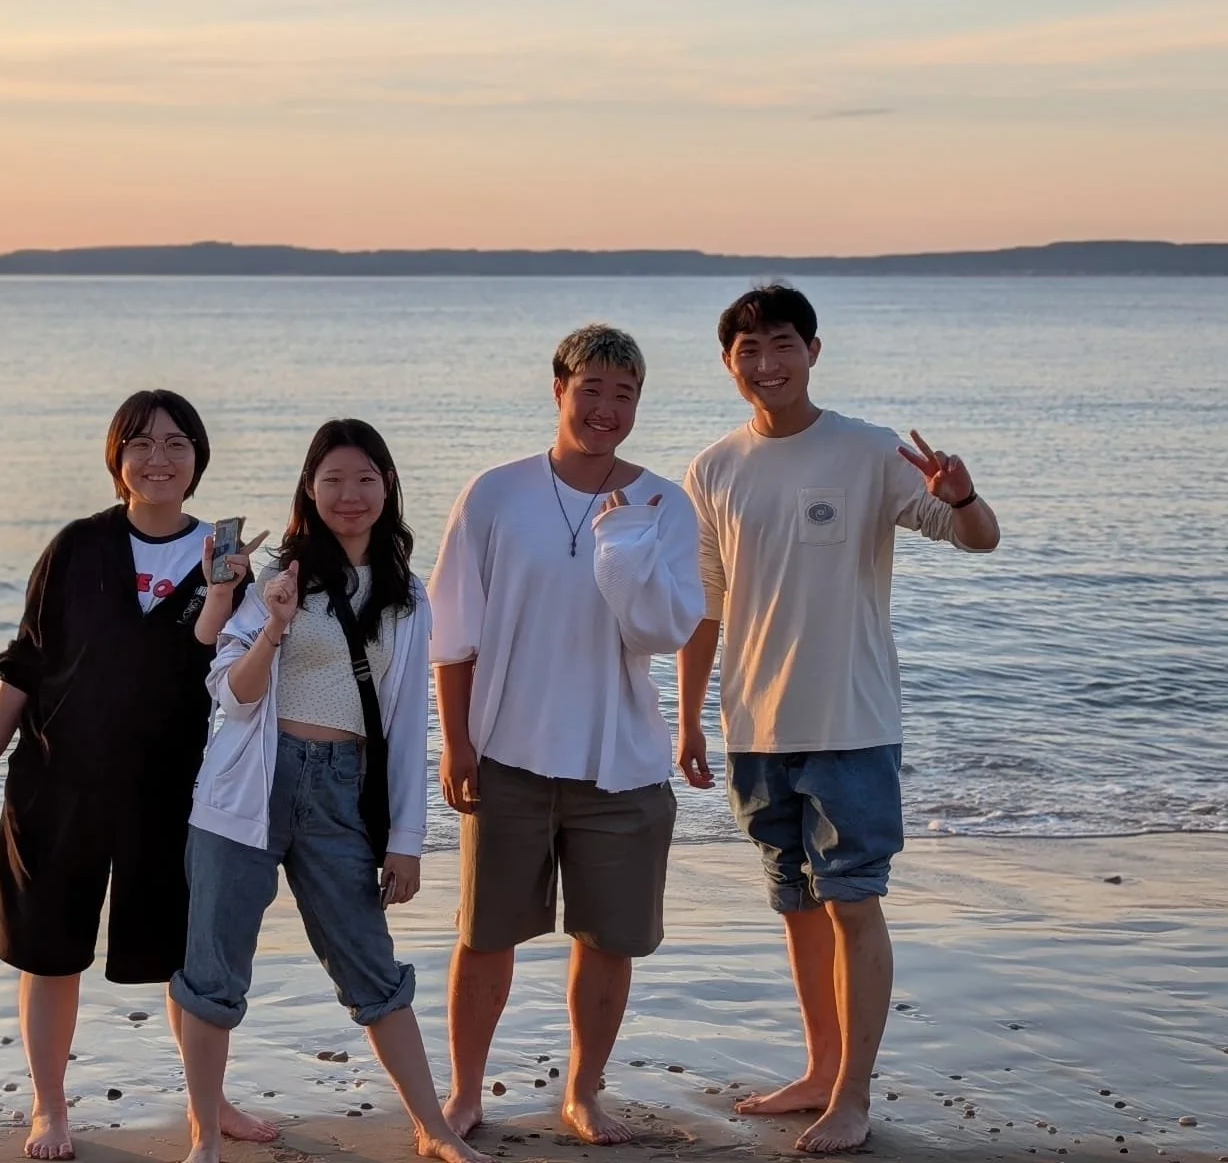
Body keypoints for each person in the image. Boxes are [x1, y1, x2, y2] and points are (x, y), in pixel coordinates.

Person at [661, 284, 1001, 1156]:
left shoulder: (868, 451)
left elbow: (977, 540)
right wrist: (691, 719)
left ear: (814, 350)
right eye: (749, 350)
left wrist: (962, 498)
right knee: (797, 909)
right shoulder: (712, 467)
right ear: (728, 362)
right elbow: (707, 606)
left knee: (852, 902)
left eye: (783, 345)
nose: (767, 364)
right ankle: (817, 1070)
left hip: (852, 721)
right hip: (755, 728)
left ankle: (852, 1095)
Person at [0, 390, 278, 1161]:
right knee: (49, 949)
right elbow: (25, 661)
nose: (157, 458)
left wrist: (226, 592)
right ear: (116, 458)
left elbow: (216, 665)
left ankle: (211, 1100)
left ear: (198, 458)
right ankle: (49, 1107)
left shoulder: (221, 558)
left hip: (169, 792)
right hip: (56, 784)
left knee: (183, 957)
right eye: (140, 444)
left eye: (175, 443)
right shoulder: (76, 547)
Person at [173, 419, 485, 1163]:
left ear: (387, 489)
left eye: (366, 480)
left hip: (342, 794)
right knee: (214, 970)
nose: (350, 495)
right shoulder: (273, 577)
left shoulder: (407, 595)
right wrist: (275, 626)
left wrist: (405, 842)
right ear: (309, 490)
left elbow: (408, 728)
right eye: (334, 480)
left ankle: (432, 1129)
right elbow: (235, 696)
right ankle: (204, 1137)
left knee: (372, 965)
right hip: (248, 785)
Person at [429, 326, 704, 1146]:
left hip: (618, 762)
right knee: (484, 937)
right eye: (592, 389)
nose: (606, 409)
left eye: (625, 395)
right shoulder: (495, 494)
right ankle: (466, 1092)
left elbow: (663, 630)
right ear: (559, 390)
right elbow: (453, 631)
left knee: (607, 939)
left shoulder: (664, 504)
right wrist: (456, 741)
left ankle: (583, 1092)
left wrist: (623, 546)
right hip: (505, 755)